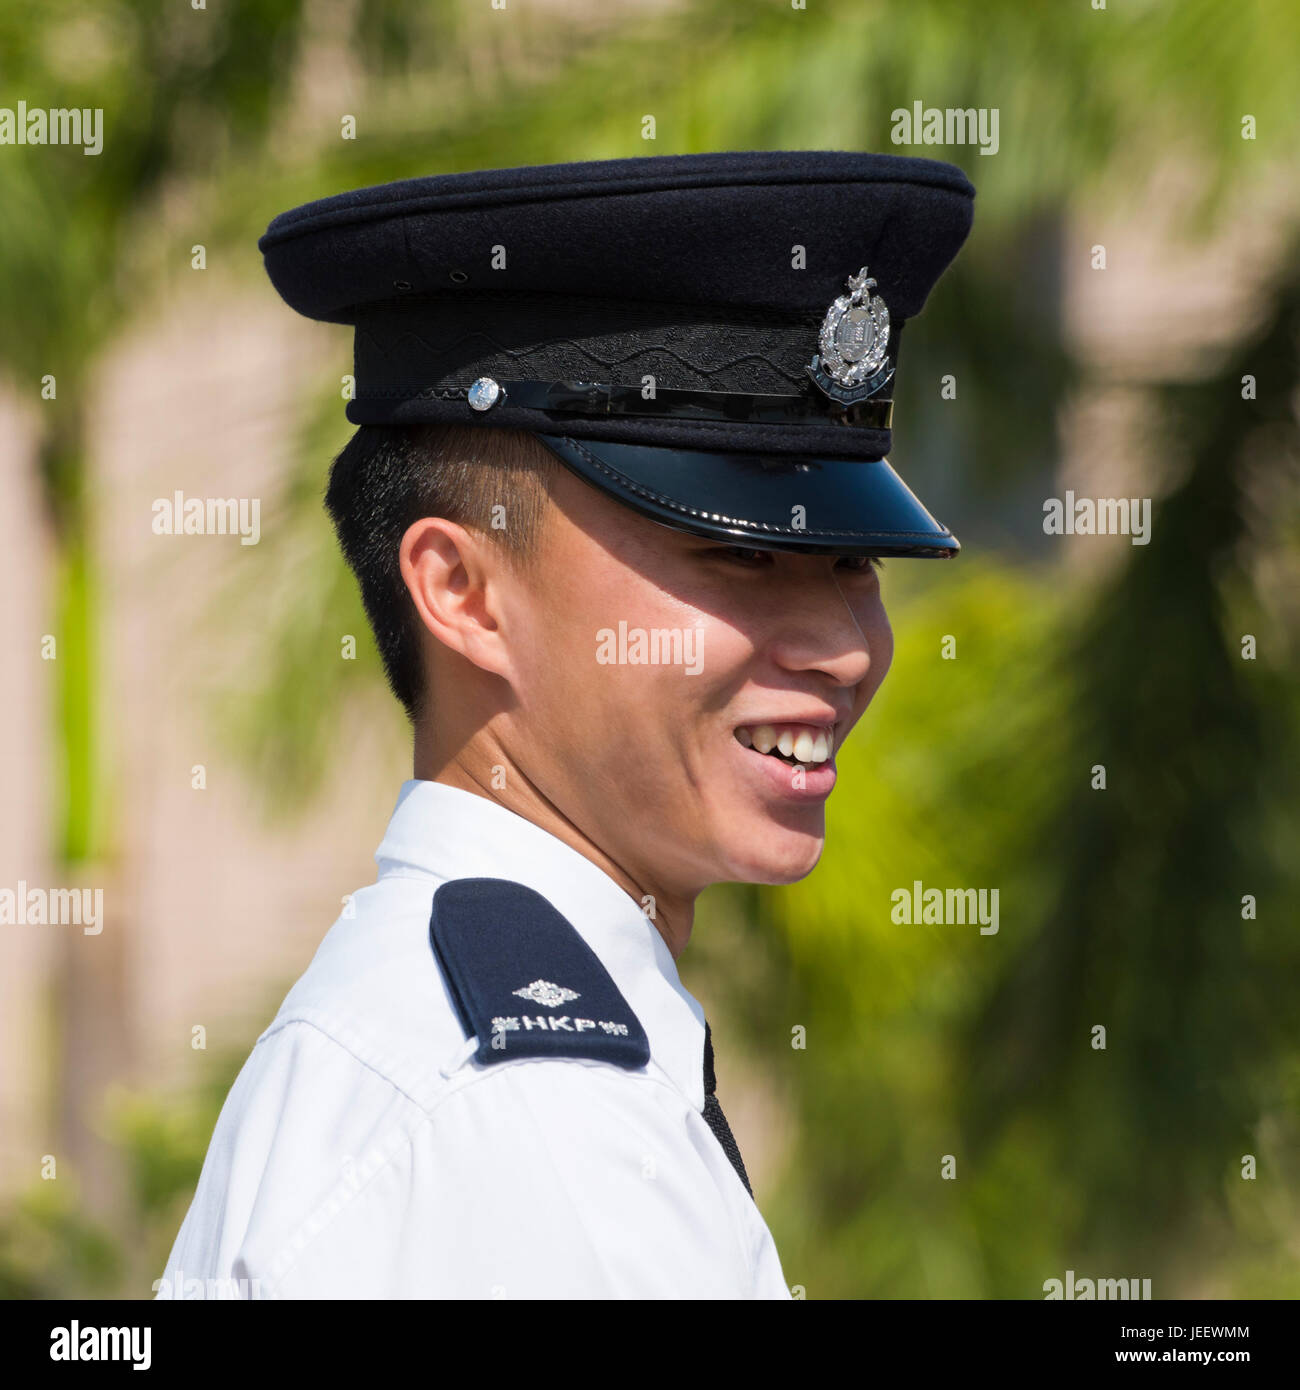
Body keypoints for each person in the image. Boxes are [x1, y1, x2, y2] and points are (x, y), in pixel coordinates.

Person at [156, 149, 975, 1299]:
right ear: (463, 592)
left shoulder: (471, 1053)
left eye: (850, 562)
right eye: (739, 553)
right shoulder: (538, 1128)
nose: (842, 647)